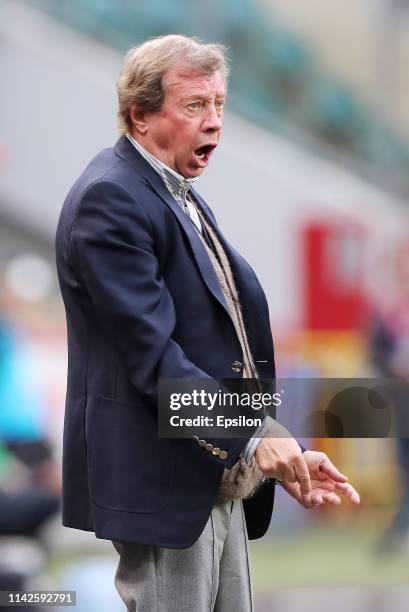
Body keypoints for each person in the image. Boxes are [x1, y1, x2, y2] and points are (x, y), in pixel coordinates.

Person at [55, 35, 360, 611]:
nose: (214, 122)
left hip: (213, 472)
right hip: (164, 479)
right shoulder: (112, 198)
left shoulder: (172, 190)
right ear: (140, 115)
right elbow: (154, 356)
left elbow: (218, 343)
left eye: (219, 104)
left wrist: (272, 447)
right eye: (195, 105)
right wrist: (254, 436)